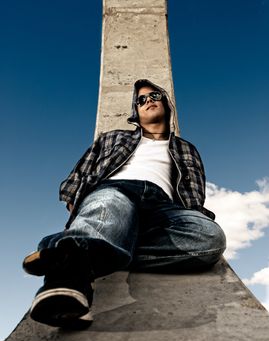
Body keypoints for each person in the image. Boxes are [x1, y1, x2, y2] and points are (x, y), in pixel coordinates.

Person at [23, 79, 226, 328]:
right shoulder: (112, 138)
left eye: (154, 96)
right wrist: (78, 205)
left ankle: (83, 251)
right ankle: (68, 282)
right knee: (109, 204)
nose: (148, 101)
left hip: (162, 205)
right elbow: (77, 178)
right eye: (141, 99)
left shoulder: (186, 148)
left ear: (167, 104)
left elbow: (194, 194)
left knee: (210, 238)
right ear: (135, 111)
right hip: (116, 190)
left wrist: (194, 217)